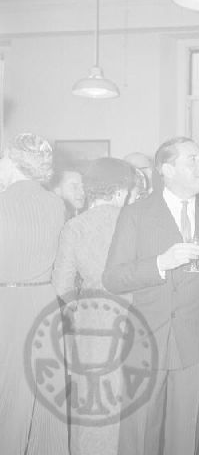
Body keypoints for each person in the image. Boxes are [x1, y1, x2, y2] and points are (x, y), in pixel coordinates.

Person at [102, 137, 199, 455]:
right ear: (167, 169)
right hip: (146, 343)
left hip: (197, 345)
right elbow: (112, 278)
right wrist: (160, 263)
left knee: (187, 439)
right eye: (193, 159)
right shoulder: (135, 214)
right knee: (138, 439)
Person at [52, 157, 135, 455]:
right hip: (137, 314)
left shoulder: (74, 226)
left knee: (92, 400)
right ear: (122, 191)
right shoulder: (135, 220)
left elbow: (61, 287)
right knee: (136, 398)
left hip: (91, 323)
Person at [0, 133, 69, 454]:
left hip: (8, 306)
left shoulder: (3, 202)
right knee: (46, 398)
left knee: (7, 398)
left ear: (13, 163)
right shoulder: (56, 204)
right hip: (44, 303)